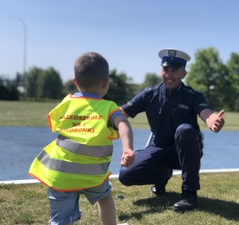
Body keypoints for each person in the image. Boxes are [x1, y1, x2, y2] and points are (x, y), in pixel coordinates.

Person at [28, 52, 135, 225]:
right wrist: (127, 148)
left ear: (75, 82)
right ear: (106, 83)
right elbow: (123, 123)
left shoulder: (67, 102)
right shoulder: (108, 107)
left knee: (60, 218)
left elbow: (54, 122)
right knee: (105, 197)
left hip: (60, 171)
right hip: (93, 173)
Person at [118, 48, 225, 212]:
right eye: (166, 69)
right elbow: (121, 113)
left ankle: (189, 194)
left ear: (184, 73)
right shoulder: (149, 94)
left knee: (185, 130)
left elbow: (207, 114)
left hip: (185, 153)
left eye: (174, 70)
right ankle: (161, 176)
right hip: (158, 148)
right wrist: (103, 113)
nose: (169, 74)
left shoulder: (192, 96)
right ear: (161, 70)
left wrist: (213, 121)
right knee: (126, 175)